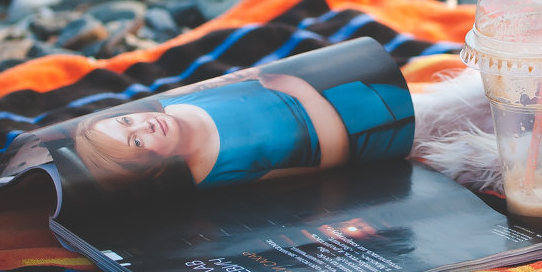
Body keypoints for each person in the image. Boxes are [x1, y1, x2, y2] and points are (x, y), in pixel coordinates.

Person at [72, 70, 351, 189]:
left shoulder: (175, 99)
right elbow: (333, 157)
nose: (145, 125)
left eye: (126, 121)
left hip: (348, 85)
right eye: (136, 143)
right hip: (363, 134)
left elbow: (252, 75)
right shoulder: (217, 174)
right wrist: (299, 89)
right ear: (149, 167)